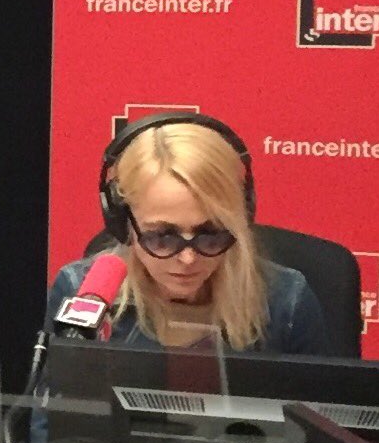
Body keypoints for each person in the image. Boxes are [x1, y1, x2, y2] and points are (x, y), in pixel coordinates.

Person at [45, 115, 329, 355]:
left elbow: (325, 419)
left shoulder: (287, 302)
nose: (188, 258)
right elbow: (52, 416)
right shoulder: (81, 297)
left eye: (210, 235)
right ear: (122, 224)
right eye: (162, 237)